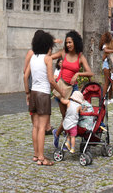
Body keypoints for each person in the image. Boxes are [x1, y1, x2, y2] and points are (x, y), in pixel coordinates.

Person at [23, 30, 62, 166]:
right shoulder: (47, 59)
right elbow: (51, 80)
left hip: (33, 93)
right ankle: (41, 157)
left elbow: (25, 75)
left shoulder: (33, 57)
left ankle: (35, 154)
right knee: (42, 128)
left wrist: (27, 93)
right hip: (43, 95)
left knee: (35, 126)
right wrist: (61, 91)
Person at [51, 30, 93, 147]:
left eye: (70, 42)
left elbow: (90, 73)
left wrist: (78, 74)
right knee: (66, 116)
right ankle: (61, 135)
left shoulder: (80, 57)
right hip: (61, 88)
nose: (68, 44)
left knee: (72, 116)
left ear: (75, 42)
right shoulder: (63, 53)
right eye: (67, 42)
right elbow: (49, 58)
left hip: (73, 89)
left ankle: (62, 136)